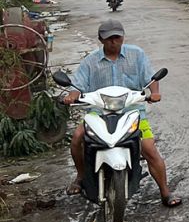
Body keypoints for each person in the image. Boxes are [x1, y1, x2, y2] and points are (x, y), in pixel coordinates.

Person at [62, 19, 181, 207]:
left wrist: (154, 92)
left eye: (117, 37)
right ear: (101, 39)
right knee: (78, 137)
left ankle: (165, 191)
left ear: (123, 37)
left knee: (149, 148)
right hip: (98, 112)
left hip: (132, 111)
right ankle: (81, 176)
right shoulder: (90, 61)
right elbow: (78, 85)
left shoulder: (137, 54)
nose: (113, 42)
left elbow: (150, 79)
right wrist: (71, 96)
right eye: (109, 39)